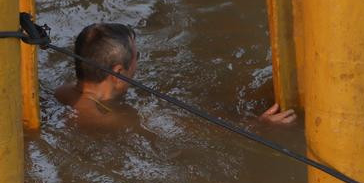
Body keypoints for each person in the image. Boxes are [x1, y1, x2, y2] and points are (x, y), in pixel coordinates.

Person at [55, 22, 297, 128]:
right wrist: (257, 125)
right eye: (136, 58)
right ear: (118, 73)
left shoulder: (61, 92)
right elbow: (190, 126)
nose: (138, 64)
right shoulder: (104, 118)